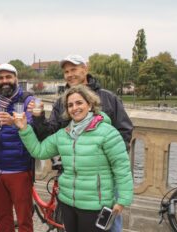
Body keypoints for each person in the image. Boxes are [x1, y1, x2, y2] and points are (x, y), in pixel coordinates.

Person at [30, 54, 133, 232]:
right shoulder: (62, 102)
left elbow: (124, 130)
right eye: (66, 71)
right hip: (75, 178)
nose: (70, 74)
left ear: (85, 69)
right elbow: (51, 133)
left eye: (74, 69)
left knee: (111, 223)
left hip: (104, 177)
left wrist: (108, 159)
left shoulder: (108, 97)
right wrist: (38, 118)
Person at [0, 63, 35, 232]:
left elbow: (33, 124)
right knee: (2, 219)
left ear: (16, 79)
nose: (4, 81)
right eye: (0, 78)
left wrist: (14, 122)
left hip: (19, 170)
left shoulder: (28, 100)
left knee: (24, 220)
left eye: (8, 77)